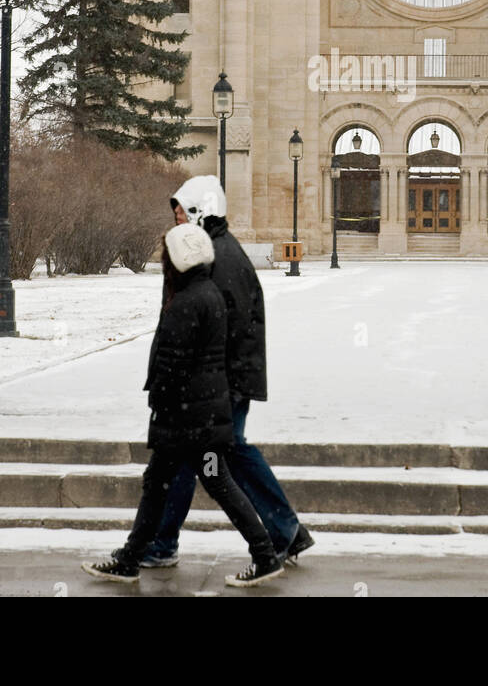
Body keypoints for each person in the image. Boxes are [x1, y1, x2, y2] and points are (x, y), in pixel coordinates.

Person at [81, 221, 284, 588]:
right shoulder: (209, 293)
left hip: (184, 419)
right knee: (163, 482)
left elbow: (171, 364)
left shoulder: (186, 302)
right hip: (200, 415)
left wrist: (159, 403)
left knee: (205, 482)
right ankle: (130, 557)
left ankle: (265, 555)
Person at [138, 175, 315, 568]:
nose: (177, 220)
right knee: (204, 457)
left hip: (221, 385)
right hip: (220, 383)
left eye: (182, 212)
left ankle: (165, 543)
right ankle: (283, 532)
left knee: (212, 456)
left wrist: (208, 386)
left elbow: (221, 331)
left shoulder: (219, 259)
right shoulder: (216, 251)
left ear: (201, 211)